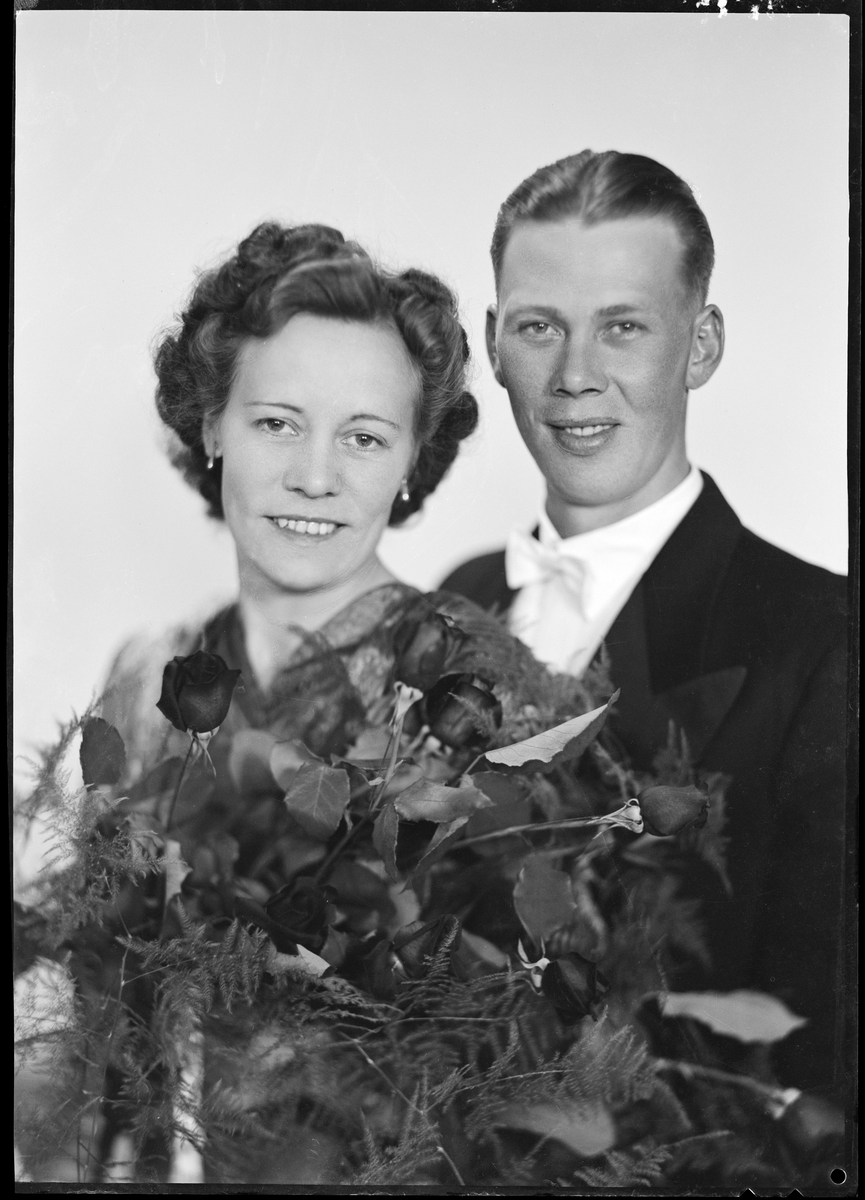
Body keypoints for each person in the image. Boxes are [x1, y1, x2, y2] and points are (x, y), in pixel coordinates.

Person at [442, 151, 849, 1097]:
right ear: (494, 343)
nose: (574, 376)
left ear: (700, 346)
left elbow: (824, 1069)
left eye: (621, 327)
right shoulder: (458, 600)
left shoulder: (826, 642)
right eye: (540, 327)